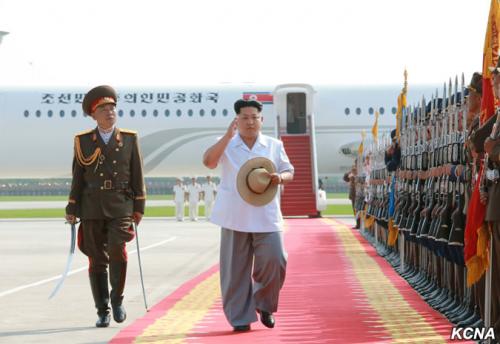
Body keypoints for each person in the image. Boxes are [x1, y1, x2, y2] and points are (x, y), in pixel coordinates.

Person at [203, 99, 294, 332]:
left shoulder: (273, 145)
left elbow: (288, 170)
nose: (250, 122)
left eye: (255, 117)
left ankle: (264, 304)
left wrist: (280, 178)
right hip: (234, 216)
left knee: (276, 259)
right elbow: (209, 162)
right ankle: (240, 318)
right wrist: (227, 136)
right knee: (234, 270)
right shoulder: (227, 144)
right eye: (245, 118)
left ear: (261, 120)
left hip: (267, 214)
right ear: (237, 120)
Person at [64, 85, 146, 328]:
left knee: (118, 252)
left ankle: (117, 299)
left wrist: (139, 205)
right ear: (94, 115)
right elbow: (78, 176)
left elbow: (137, 174)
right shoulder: (83, 141)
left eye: (112, 108)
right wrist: (72, 207)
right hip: (92, 207)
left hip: (121, 205)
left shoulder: (129, 139)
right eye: (104, 109)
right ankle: (102, 310)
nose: (110, 112)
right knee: (97, 259)